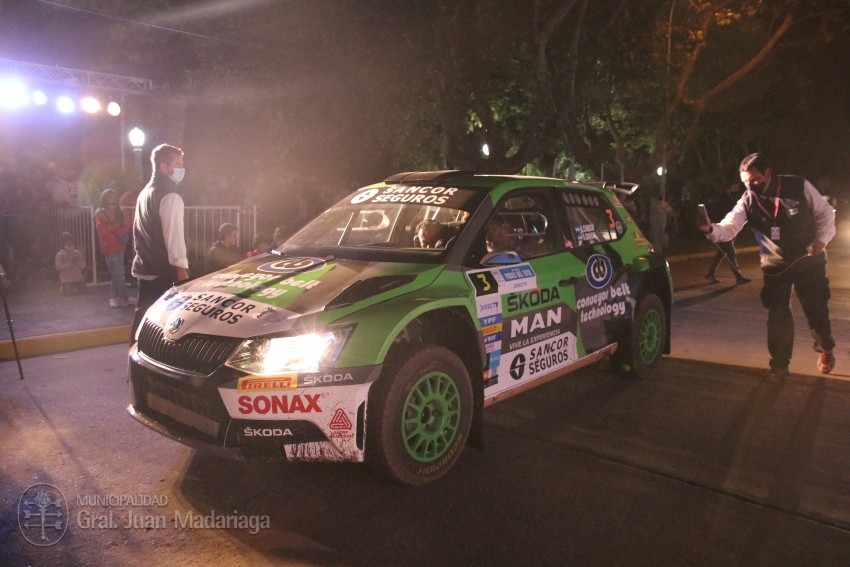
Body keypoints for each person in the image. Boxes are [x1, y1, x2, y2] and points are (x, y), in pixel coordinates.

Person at [697, 153, 836, 381]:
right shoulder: (747, 199)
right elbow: (730, 227)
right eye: (745, 183)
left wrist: (821, 240)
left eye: (754, 180)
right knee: (777, 315)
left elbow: (825, 214)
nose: (750, 186)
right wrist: (710, 229)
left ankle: (826, 349)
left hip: (808, 260)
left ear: (768, 174)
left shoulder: (798, 185)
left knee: (816, 310)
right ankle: (780, 365)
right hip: (774, 265)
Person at [130, 143, 189, 338]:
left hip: (144, 267)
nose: (182, 168)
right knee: (165, 329)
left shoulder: (145, 192)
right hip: (163, 272)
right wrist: (182, 271)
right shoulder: (170, 195)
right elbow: (174, 237)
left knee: (142, 320)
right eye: (178, 164)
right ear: (164, 167)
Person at [94, 188, 136, 308]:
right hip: (109, 247)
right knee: (117, 273)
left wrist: (114, 227)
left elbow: (126, 226)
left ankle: (115, 297)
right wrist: (117, 226)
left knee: (117, 273)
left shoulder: (118, 211)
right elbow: (104, 230)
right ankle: (123, 297)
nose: (113, 200)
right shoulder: (99, 212)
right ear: (104, 199)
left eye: (114, 197)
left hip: (119, 245)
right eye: (110, 197)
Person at [705, 184, 752, 285]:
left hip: (726, 230)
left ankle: (710, 274)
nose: (736, 189)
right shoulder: (725, 200)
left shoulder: (731, 199)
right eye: (734, 187)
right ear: (728, 188)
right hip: (724, 229)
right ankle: (739, 277)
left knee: (721, 254)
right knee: (731, 254)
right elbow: (727, 214)